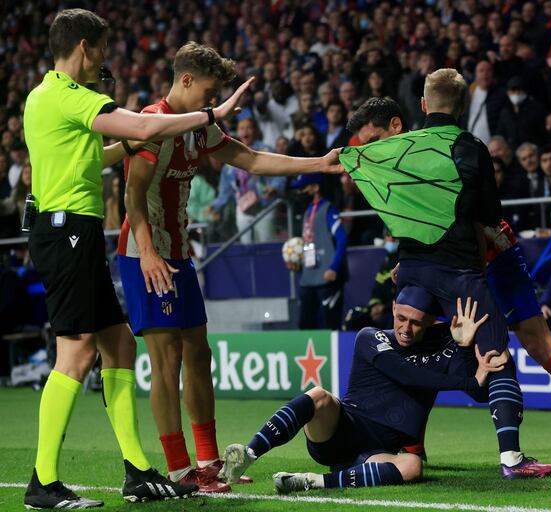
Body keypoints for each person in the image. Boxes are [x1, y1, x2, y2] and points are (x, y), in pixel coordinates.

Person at [22, 8, 253, 508]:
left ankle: (138, 471)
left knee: (120, 346)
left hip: (68, 230)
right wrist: (211, 114)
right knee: (78, 352)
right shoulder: (70, 95)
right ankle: (43, 482)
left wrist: (129, 144)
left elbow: (97, 154)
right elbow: (139, 128)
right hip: (67, 232)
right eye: (101, 48)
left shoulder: (42, 97)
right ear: (85, 47)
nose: (104, 59)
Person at [343, 79, 551, 472]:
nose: (370, 147)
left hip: (489, 261)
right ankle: (412, 445)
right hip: (453, 267)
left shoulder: (452, 148)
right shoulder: (426, 151)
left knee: (539, 347)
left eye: (374, 137)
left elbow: (479, 219)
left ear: (407, 117)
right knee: (414, 341)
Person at [119, 42, 342, 493]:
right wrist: (147, 252)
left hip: (179, 254)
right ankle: (181, 470)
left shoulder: (200, 129)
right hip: (144, 254)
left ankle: (208, 461)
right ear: (184, 81)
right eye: (208, 90)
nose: (212, 100)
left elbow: (252, 159)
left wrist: (319, 163)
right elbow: (132, 195)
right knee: (167, 360)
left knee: (199, 355)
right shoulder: (151, 122)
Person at [220, 290, 524, 492]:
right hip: (341, 430)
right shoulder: (371, 337)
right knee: (320, 396)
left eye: (416, 323)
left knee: (412, 465)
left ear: (432, 321)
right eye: (400, 318)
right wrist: (471, 380)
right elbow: (407, 374)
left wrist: (462, 347)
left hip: (380, 449)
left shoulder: (446, 343)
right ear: (392, 309)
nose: (406, 328)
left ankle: (312, 481)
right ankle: (248, 454)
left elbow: (479, 394)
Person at [289, 172, 349, 330]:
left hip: (327, 277)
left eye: (303, 188)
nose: (300, 192)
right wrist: (299, 265)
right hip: (308, 278)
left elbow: (342, 239)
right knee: (305, 325)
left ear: (315, 187)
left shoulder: (328, 209)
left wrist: (334, 267)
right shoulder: (307, 212)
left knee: (330, 326)